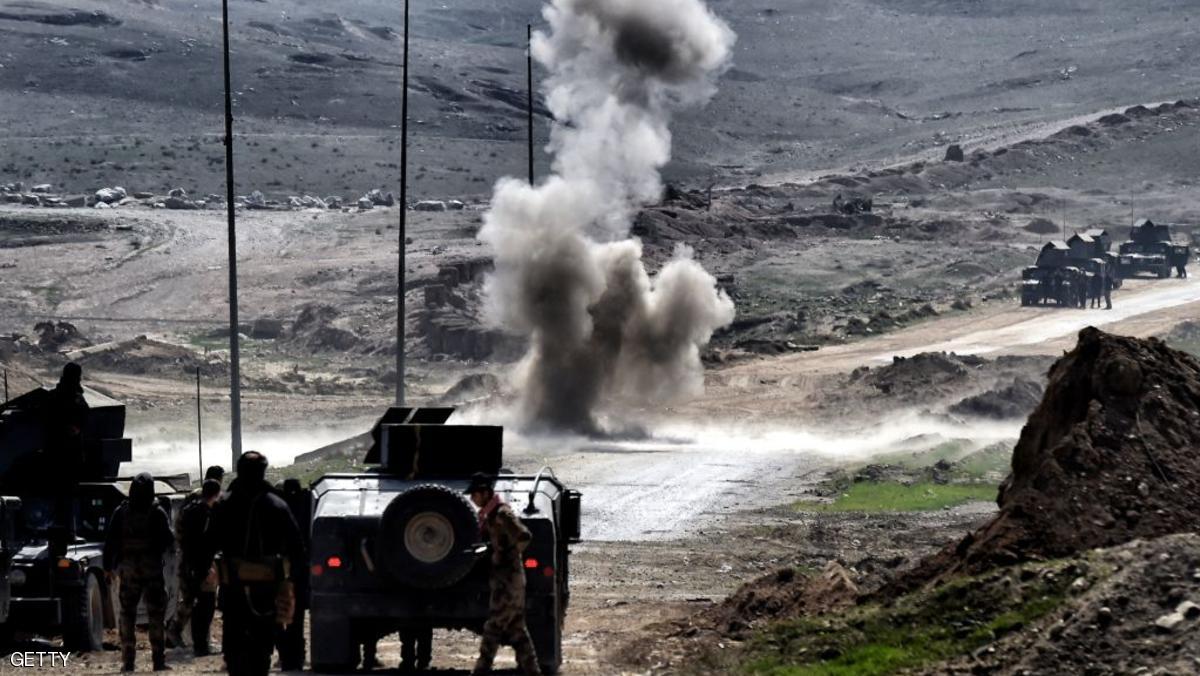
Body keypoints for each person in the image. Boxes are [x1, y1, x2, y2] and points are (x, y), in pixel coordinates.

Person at [208, 452, 305, 676]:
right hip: (266, 593)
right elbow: (297, 549)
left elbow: (208, 544)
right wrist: (293, 582)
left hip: (235, 592)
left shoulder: (225, 505)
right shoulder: (277, 505)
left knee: (236, 650)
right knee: (260, 652)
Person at [467, 473, 541, 676]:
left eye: (474, 494)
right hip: (506, 579)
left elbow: (524, 536)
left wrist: (506, 555)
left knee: (494, 626)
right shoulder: (490, 515)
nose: (472, 499)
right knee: (517, 631)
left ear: (484, 493)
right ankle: (532, 670)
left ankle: (481, 669)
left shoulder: (501, 513)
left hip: (508, 580)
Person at [103, 473, 174, 672]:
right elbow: (168, 540)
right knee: (156, 616)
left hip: (129, 571)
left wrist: (108, 568)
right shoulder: (157, 511)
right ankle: (158, 661)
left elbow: (111, 542)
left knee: (127, 616)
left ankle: (128, 662)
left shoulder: (121, 512)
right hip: (152, 571)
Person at [167, 466, 225, 650]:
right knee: (200, 599)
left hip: (191, 554)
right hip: (199, 556)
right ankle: (185, 634)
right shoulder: (204, 500)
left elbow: (178, 524)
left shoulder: (195, 497)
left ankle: (196, 638)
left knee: (197, 598)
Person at [44, 362, 89, 533]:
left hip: (54, 453)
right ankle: (69, 530)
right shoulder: (75, 398)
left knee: (57, 495)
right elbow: (83, 418)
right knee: (69, 495)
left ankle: (57, 528)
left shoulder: (53, 396)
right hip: (68, 454)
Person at [274, 478, 311, 671]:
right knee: (296, 618)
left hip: (279, 570)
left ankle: (285, 656)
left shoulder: (276, 509)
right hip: (298, 571)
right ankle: (296, 657)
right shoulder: (305, 507)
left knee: (279, 617)